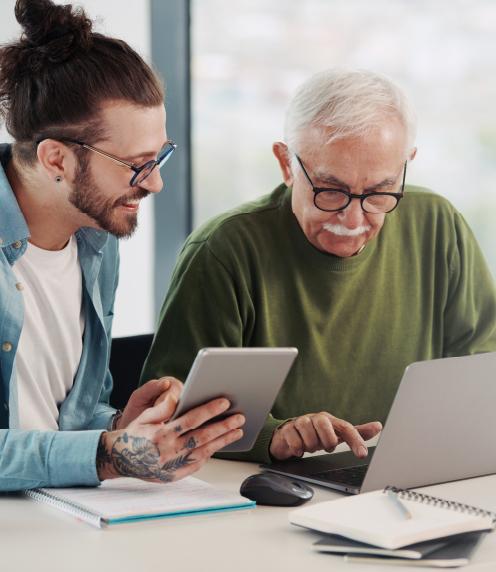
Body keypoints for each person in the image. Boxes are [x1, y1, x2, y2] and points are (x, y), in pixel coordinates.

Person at [141, 68, 496, 463]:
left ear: (405, 164)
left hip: (412, 469)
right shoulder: (224, 251)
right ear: (286, 164)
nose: (352, 219)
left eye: (379, 192)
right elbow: (170, 417)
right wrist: (278, 437)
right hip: (260, 490)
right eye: (331, 191)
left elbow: (485, 363)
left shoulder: (437, 224)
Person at [0, 0, 244, 492]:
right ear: (57, 160)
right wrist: (107, 455)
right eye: (137, 164)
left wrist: (119, 427)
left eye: (161, 157)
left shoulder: (97, 239)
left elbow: (61, 422)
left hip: (60, 515)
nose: (154, 185)